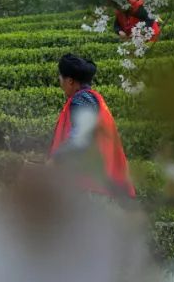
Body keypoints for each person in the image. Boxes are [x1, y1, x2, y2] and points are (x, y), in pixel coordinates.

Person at [50, 54, 134, 198]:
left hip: (89, 182)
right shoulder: (90, 97)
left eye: (61, 77)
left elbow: (80, 136)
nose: (60, 82)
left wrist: (57, 158)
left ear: (70, 81)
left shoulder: (82, 100)